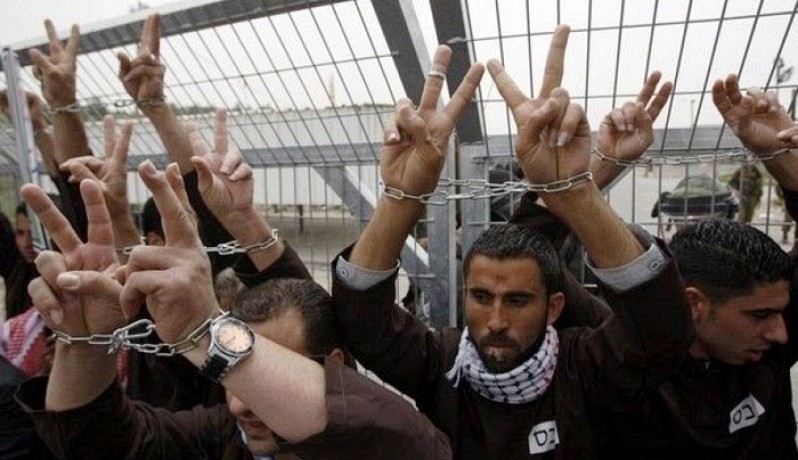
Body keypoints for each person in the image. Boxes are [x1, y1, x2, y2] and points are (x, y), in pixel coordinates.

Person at [330, 29, 692, 458]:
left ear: (554, 307)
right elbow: (363, 320)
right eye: (482, 297)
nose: (496, 321)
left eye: (518, 300)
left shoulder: (584, 370)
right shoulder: (443, 365)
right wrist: (400, 197)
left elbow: (660, 330)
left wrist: (576, 190)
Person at [17, 163, 452, 460]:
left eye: (260, 368)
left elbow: (400, 437)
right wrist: (84, 342)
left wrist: (203, 330)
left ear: (332, 365)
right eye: (229, 374)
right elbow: (99, 442)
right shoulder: (224, 436)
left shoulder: (387, 440)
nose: (242, 402)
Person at [580, 75, 798, 458]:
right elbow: (525, 263)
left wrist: (779, 155)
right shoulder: (623, 365)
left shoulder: (766, 338)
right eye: (760, 315)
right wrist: (601, 167)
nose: (780, 333)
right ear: (695, 303)